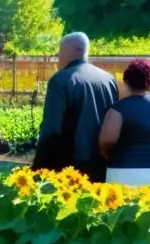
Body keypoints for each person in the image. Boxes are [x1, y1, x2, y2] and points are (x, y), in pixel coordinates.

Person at [32, 33, 118, 181]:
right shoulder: (108, 80)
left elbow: (51, 129)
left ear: (77, 50)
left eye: (60, 51)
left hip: (70, 166)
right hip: (103, 163)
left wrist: (38, 167)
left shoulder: (61, 80)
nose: (58, 57)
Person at [98, 59, 150, 186]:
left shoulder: (118, 109)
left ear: (126, 80)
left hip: (122, 172)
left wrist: (106, 153)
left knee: (122, 206)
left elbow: (108, 141)